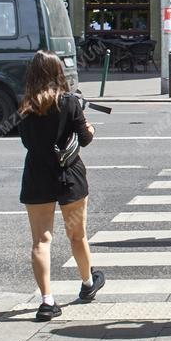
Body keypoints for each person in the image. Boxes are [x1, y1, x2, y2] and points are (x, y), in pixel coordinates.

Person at [18, 50, 105, 321]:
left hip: (36, 177)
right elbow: (84, 138)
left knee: (41, 241)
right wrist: (90, 128)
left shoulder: (25, 106)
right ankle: (88, 283)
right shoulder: (69, 102)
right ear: (58, 72)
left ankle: (46, 301)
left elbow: (27, 143)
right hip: (70, 177)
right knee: (77, 235)